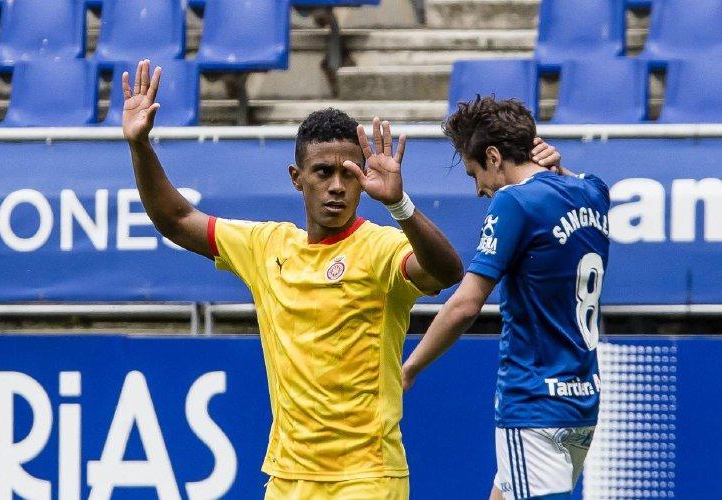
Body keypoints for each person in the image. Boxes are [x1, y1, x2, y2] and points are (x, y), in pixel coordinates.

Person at [121, 59, 467, 499]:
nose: (337, 185)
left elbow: (446, 272)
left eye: (350, 173)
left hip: (366, 477)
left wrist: (400, 206)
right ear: (296, 178)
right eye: (323, 172)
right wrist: (140, 146)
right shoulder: (266, 246)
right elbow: (175, 218)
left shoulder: (382, 248)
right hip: (288, 479)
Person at [402, 96, 610, 500]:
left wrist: (410, 368)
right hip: (582, 403)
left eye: (474, 173)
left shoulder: (514, 201)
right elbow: (576, 183)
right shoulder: (593, 191)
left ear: (494, 157)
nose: (478, 188)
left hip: (533, 403)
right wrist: (557, 167)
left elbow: (466, 304)